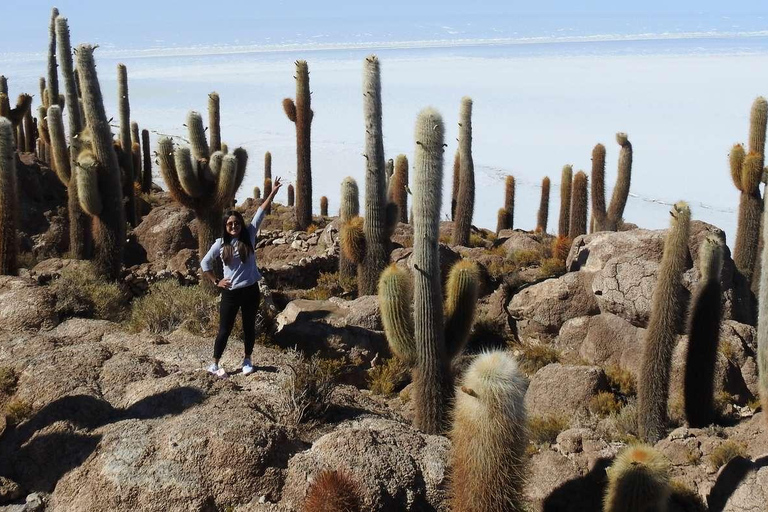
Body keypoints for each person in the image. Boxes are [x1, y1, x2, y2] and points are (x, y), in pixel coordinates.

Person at [201, 177, 283, 376]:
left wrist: (272, 193)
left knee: (249, 328)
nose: (234, 226)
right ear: (225, 226)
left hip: (250, 291)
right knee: (224, 330)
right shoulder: (220, 244)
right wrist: (216, 281)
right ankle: (215, 363)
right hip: (231, 293)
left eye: (236, 223)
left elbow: (260, 213)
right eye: (230, 224)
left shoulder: (249, 235)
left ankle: (247, 360)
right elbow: (204, 264)